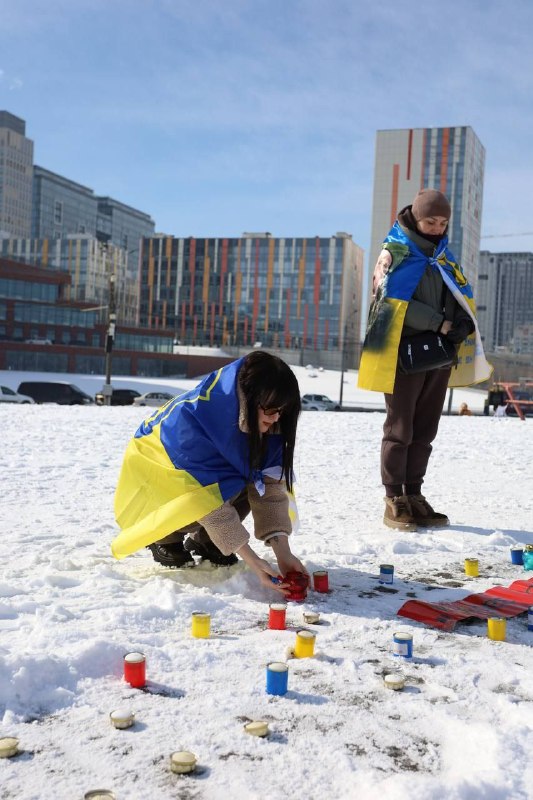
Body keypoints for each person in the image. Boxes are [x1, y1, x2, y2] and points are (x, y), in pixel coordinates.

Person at [112, 351, 308, 595]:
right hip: (155, 486)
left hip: (202, 489)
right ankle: (165, 537)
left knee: (247, 478)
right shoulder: (191, 428)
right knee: (204, 493)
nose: (276, 417)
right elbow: (204, 502)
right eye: (270, 409)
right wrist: (253, 561)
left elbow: (269, 489)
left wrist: (284, 554)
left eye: (283, 410)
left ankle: (208, 541)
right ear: (248, 397)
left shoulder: (270, 424)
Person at [358, 188, 492, 531]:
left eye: (443, 222)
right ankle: (394, 497)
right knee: (399, 427)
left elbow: (455, 291)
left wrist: (462, 320)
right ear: (415, 217)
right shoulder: (397, 251)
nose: (436, 227)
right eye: (430, 220)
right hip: (405, 354)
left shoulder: (442, 255)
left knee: (425, 429)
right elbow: (389, 298)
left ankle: (414, 493)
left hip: (440, 354)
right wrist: (439, 322)